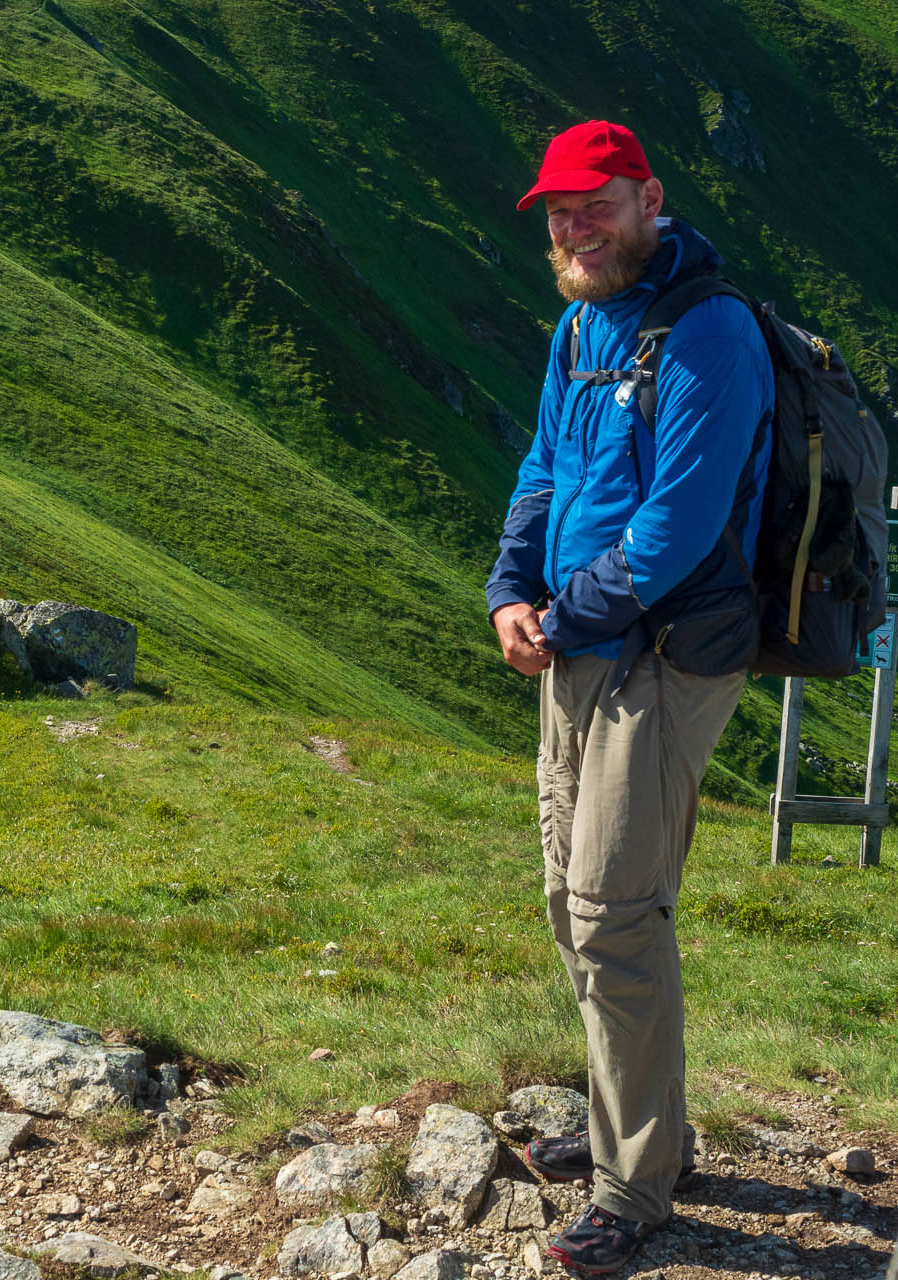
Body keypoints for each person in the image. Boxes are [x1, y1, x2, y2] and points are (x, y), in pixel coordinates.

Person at [486, 120, 774, 1275]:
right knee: (573, 899)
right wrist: (512, 585)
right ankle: (637, 1133)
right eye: (559, 211)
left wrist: (568, 611)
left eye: (595, 203)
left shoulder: (711, 330)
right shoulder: (578, 327)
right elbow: (544, 471)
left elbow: (679, 526)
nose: (574, 227)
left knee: (613, 910)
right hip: (578, 647)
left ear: (649, 198)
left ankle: (636, 1187)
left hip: (664, 653)